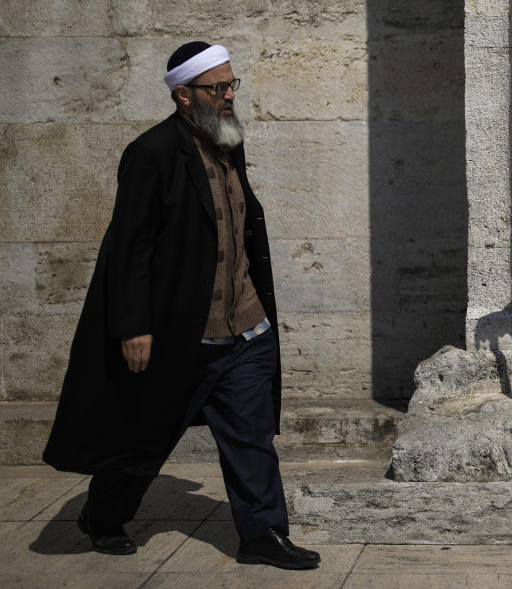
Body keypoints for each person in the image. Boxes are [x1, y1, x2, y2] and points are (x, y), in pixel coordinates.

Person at [42, 42, 320, 570]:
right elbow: (130, 248)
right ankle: (102, 515)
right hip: (181, 333)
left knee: (251, 439)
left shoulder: (227, 142)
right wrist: (134, 327)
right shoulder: (149, 154)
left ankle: (262, 535)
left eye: (232, 84)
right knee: (145, 441)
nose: (229, 96)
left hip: (245, 328)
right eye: (218, 88)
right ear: (183, 96)